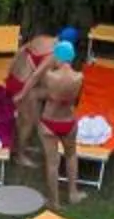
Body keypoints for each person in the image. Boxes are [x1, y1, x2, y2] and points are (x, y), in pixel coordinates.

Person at [31, 32, 86, 207]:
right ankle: (73, 194)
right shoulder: (79, 77)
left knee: (52, 163)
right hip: (68, 121)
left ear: (57, 57)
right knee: (71, 155)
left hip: (50, 122)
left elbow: (38, 88)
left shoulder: (49, 76)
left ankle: (54, 202)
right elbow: (75, 99)